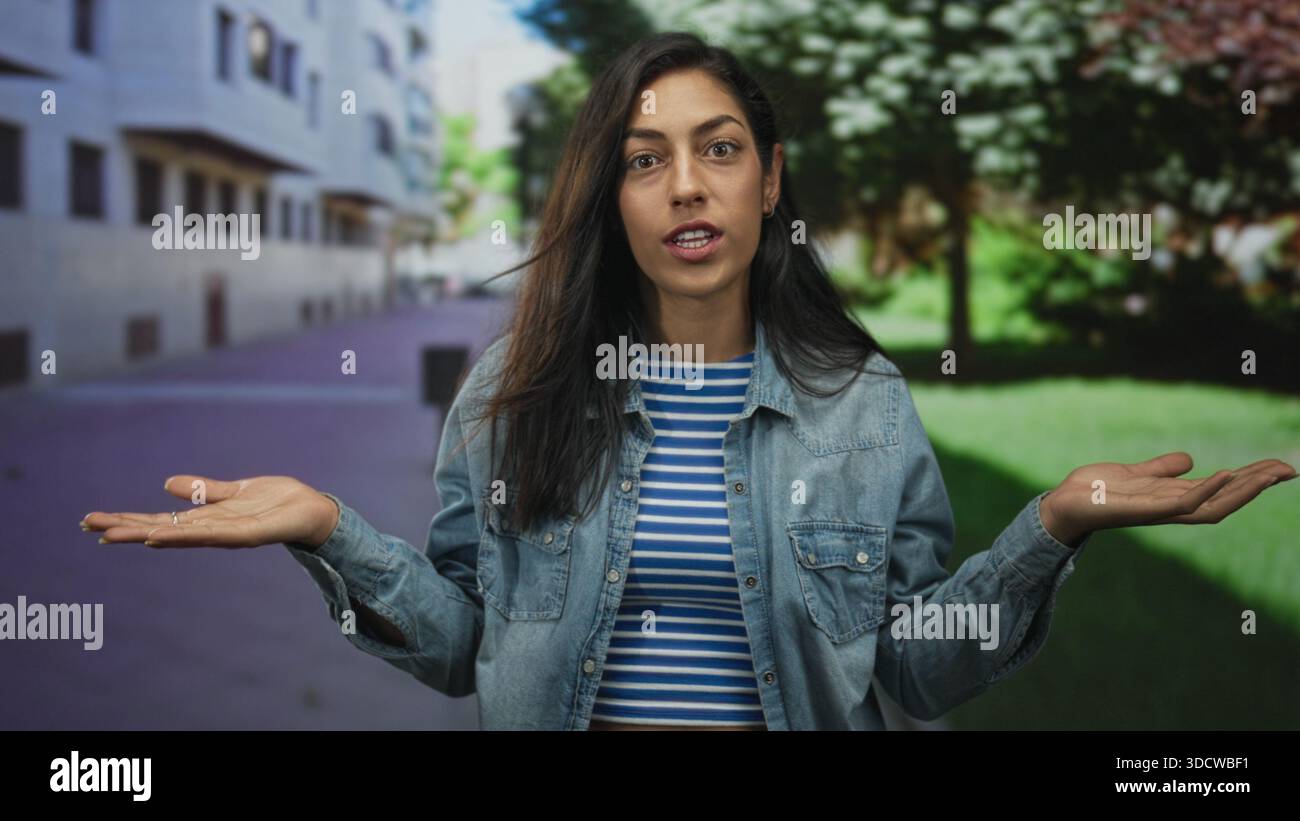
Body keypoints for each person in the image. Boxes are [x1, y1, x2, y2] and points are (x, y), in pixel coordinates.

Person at [80, 32, 1295, 731]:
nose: (687, 186)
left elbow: (915, 668)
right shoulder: (514, 389)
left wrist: (1052, 526)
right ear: (611, 197)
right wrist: (330, 530)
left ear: (770, 180)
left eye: (719, 151)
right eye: (645, 158)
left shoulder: (859, 402)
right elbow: (462, 651)